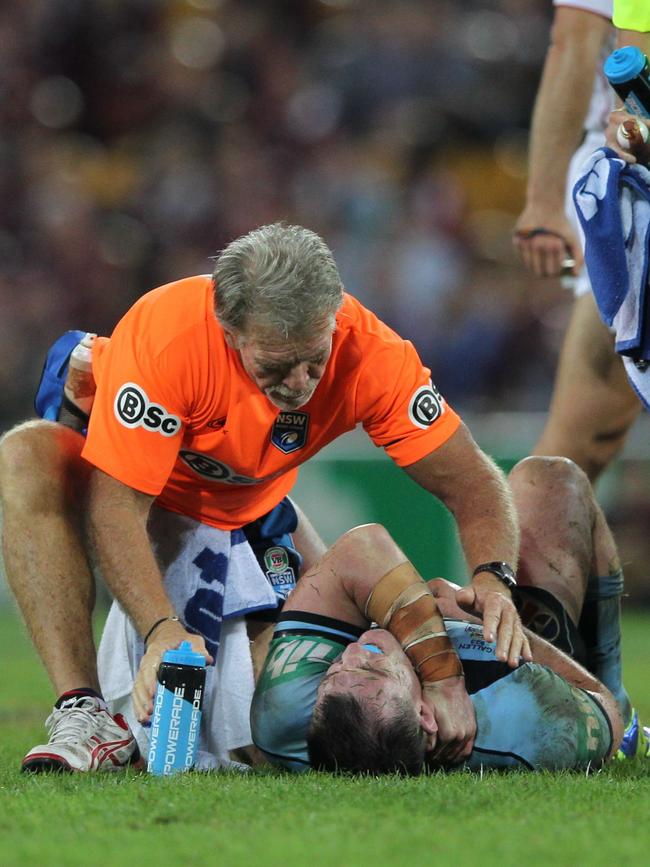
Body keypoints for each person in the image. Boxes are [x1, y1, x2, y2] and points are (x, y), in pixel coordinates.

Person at [0, 222, 528, 773]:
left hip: (249, 510)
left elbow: (473, 482)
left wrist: (495, 576)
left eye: (314, 359)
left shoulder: (373, 354)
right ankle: (83, 711)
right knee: (26, 456)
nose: (300, 382)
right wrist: (160, 629)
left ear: (333, 320)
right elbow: (117, 505)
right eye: (276, 364)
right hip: (136, 492)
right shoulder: (169, 338)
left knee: (276, 732)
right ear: (228, 330)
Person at [251, 455, 649, 774]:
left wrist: (436, 673)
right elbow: (602, 712)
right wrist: (472, 625)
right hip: (520, 666)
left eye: (333, 673)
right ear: (425, 716)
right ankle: (635, 725)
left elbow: (360, 547)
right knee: (552, 483)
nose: (351, 652)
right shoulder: (517, 721)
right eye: (370, 667)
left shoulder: (289, 717)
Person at [513, 1, 641, 482]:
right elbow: (573, 43)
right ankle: (502, 559)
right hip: (633, 172)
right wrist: (544, 201)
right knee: (582, 443)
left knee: (584, 444)